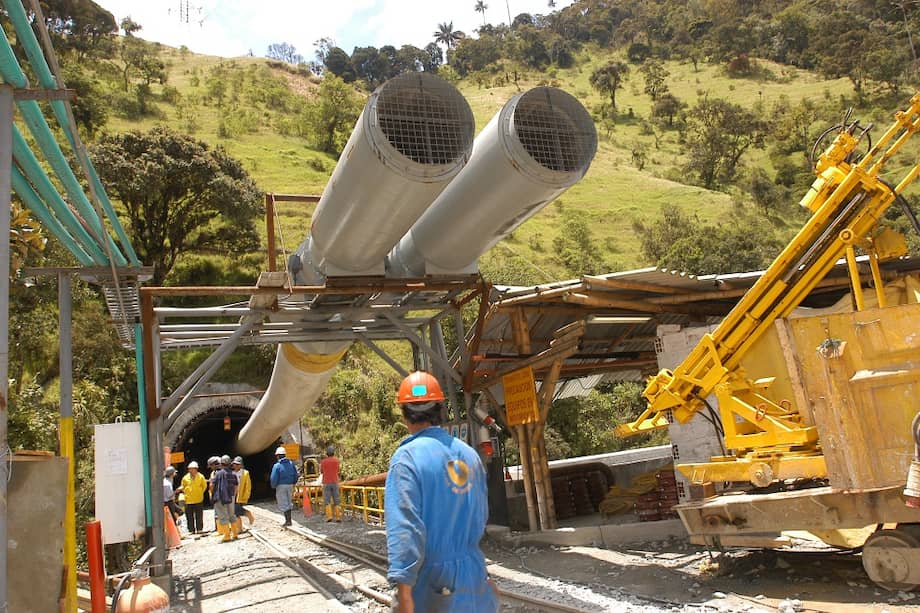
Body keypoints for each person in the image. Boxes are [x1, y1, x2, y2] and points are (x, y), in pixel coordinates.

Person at [384, 371, 498, 613]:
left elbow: (405, 529)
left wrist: (403, 590)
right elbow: (481, 515)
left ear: (404, 413)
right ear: (440, 408)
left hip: (432, 581)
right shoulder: (469, 454)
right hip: (474, 572)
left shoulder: (406, 459)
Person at [209, 455, 239, 542]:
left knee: (223, 516)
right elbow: (236, 486)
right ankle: (235, 534)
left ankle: (227, 536)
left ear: (221, 464)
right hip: (231, 497)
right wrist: (234, 495)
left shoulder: (218, 474)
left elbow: (212, 485)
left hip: (220, 498)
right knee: (232, 515)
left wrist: (212, 494)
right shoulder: (233, 474)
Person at [270, 446, 298, 526]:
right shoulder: (291, 463)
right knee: (289, 502)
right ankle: (289, 520)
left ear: (278, 456)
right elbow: (295, 475)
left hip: (281, 486)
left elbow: (273, 477)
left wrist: (273, 485)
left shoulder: (277, 466)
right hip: (290, 485)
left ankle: (288, 521)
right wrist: (294, 482)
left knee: (283, 502)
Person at [179, 461, 208, 534]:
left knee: (199, 515)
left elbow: (204, 486)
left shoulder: (201, 477)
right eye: (189, 469)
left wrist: (200, 492)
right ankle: (191, 530)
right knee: (189, 516)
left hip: (198, 499)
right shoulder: (185, 478)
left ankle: (199, 529)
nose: (191, 470)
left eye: (192, 469)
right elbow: (183, 487)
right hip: (188, 500)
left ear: (196, 469)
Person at [231, 456, 255, 530]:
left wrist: (246, 496)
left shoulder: (245, 473)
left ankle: (247, 514)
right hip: (233, 494)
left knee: (236, 511)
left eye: (238, 464)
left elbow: (248, 486)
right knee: (235, 512)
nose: (236, 466)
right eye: (235, 464)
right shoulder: (232, 473)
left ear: (241, 465)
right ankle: (239, 528)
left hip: (240, 494)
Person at [320, 445, 342, 522]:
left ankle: (329, 516)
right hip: (335, 481)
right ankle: (338, 517)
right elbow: (338, 470)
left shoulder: (323, 462)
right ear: (333, 453)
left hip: (326, 482)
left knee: (327, 500)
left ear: (327, 453)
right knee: (336, 499)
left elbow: (321, 471)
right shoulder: (337, 461)